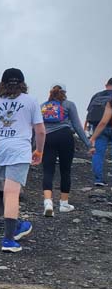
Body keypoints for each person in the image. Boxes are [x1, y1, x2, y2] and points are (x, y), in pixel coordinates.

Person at [0, 68, 45, 253]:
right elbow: (40, 130)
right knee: (13, 192)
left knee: (8, 190)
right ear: (22, 84)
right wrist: (39, 150)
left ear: (2, 84)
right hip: (18, 149)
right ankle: (8, 240)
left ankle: (15, 226)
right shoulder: (31, 101)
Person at [39, 84, 91, 217]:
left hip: (48, 138)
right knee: (65, 170)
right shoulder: (69, 104)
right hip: (65, 136)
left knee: (48, 170)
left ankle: (48, 203)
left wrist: (34, 147)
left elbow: (38, 128)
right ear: (64, 92)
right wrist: (88, 144)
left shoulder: (43, 106)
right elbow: (77, 126)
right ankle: (64, 204)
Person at [86, 78, 112, 186]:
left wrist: (91, 135)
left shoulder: (97, 96)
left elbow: (89, 114)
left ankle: (98, 180)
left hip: (99, 128)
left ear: (106, 85)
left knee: (98, 153)